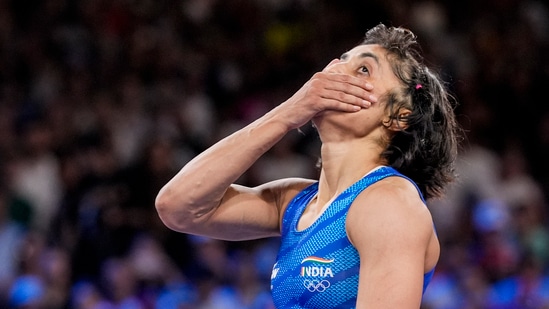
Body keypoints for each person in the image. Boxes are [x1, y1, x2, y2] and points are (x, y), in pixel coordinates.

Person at [155, 23, 460, 308]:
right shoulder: (295, 203)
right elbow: (177, 206)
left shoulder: (389, 203)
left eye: (363, 69)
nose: (336, 71)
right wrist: (288, 113)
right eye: (340, 60)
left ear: (397, 116)